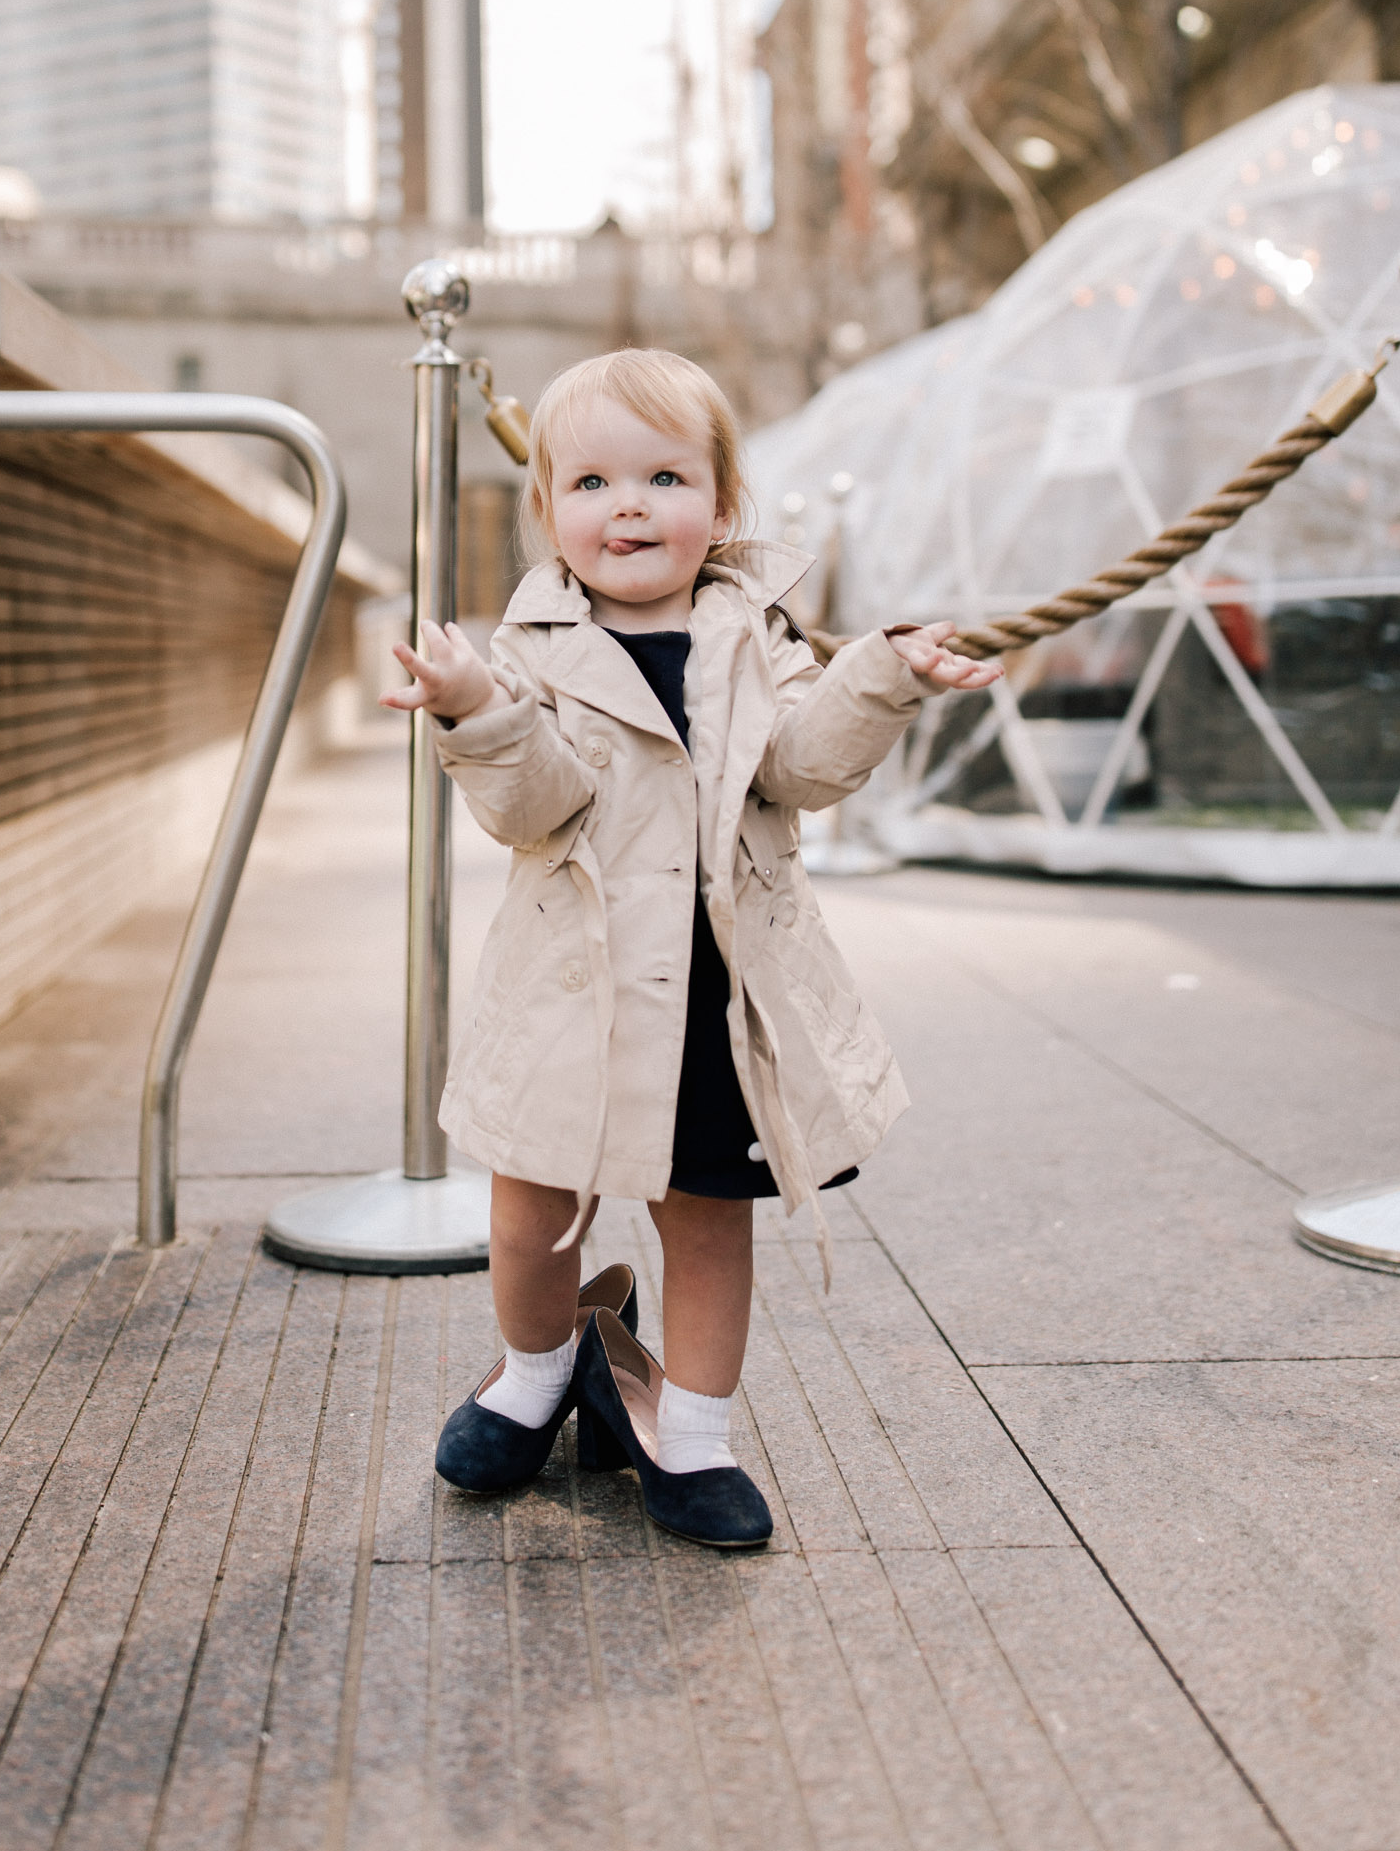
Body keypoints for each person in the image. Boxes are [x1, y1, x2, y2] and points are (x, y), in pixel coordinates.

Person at [382, 348, 1000, 1547]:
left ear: (720, 507)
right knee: (530, 1211)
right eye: (595, 483)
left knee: (708, 1216)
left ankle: (695, 1431)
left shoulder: (751, 635)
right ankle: (536, 1373)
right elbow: (532, 804)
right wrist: (477, 708)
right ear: (550, 512)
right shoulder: (531, 647)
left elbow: (804, 766)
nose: (629, 506)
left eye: (665, 477)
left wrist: (880, 676)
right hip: (577, 987)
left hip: (724, 992)